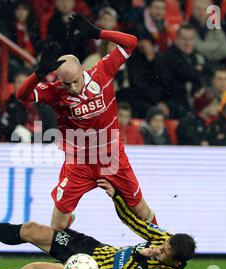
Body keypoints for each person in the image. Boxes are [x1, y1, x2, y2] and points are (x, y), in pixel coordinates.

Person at [16, 14, 158, 231]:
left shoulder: (102, 71)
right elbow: (22, 95)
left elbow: (131, 42)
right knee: (57, 227)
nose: (72, 87)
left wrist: (98, 33)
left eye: (75, 81)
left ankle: (163, 248)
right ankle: (68, 261)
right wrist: (37, 74)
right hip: (79, 162)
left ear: (83, 70)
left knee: (141, 211)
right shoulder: (55, 92)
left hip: (111, 157)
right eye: (66, 83)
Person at [0, 180, 196, 269]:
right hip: (95, 250)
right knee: (32, 229)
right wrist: (117, 197)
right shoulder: (166, 239)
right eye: (161, 247)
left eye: (163, 253)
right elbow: (135, 223)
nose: (159, 250)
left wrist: (141, 256)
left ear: (177, 261)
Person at [162, 24, 205, 118]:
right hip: (173, 104)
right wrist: (197, 71)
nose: (187, 43)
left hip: (190, 105)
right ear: (176, 39)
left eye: (191, 39)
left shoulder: (195, 56)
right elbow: (188, 73)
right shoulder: (170, 56)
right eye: (184, 39)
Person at [126, 27, 168, 118]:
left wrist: (152, 59)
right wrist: (156, 102)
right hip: (141, 99)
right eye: (140, 41)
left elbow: (165, 80)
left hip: (161, 98)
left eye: (146, 41)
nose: (143, 44)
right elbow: (138, 84)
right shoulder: (132, 60)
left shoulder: (159, 58)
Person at [5, 72, 57, 143]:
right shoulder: (9, 104)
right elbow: (9, 128)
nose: (23, 85)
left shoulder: (43, 101)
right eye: (19, 82)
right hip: (20, 144)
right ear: (13, 85)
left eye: (26, 82)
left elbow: (52, 126)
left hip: (44, 143)